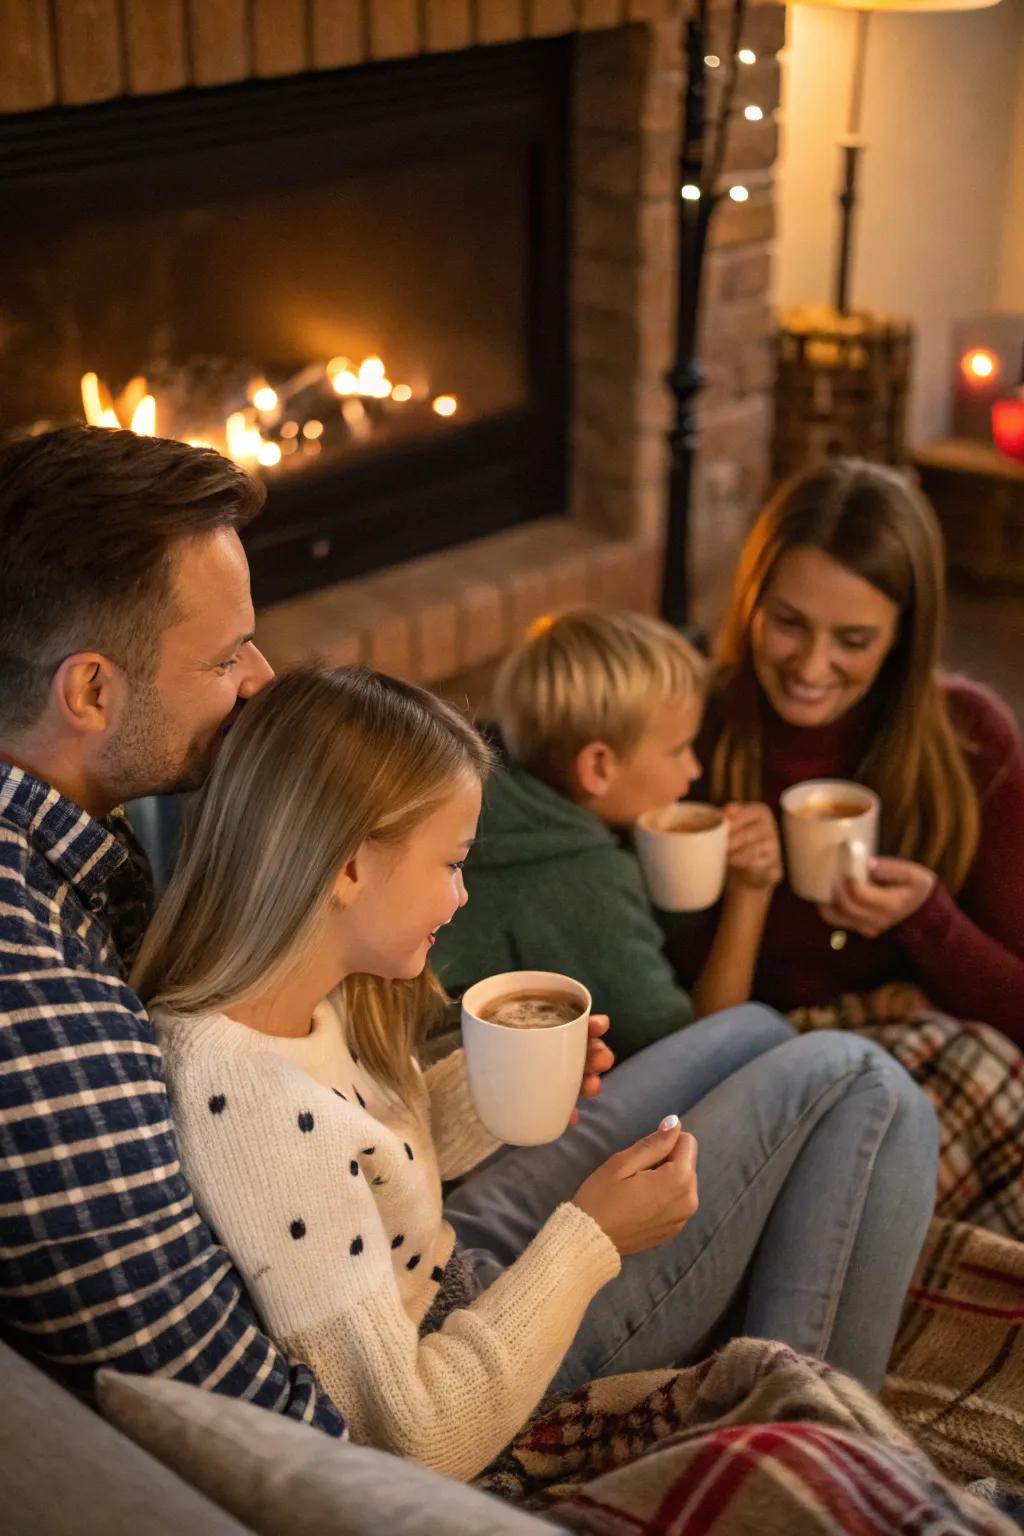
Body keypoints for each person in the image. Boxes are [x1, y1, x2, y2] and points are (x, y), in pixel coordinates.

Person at [134, 663, 938, 1483]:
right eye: (451, 865)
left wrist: (497, 1095)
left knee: (755, 1030)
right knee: (863, 1080)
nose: (460, 898)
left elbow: (366, 1161)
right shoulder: (251, 1110)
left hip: (454, 1262)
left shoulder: (304, 995)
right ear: (348, 867)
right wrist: (595, 1236)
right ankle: (824, 1464)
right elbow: (414, 1440)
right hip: (490, 1384)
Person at [0, 425, 348, 1432]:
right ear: (93, 689)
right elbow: (273, 1434)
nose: (263, 681)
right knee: (823, 1078)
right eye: (226, 656)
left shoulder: (77, 824)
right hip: (379, 1382)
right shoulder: (49, 1031)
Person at [669, 458, 1024, 1043]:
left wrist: (928, 922)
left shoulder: (971, 740)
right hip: (748, 1052)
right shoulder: (688, 727)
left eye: (853, 641)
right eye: (787, 623)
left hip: (912, 1050)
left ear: (903, 638)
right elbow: (653, 985)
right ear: (752, 602)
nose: (810, 667)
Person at [432, 610, 783, 1061]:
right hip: (497, 1114)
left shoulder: (499, 807)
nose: (693, 770)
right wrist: (751, 894)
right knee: (765, 1033)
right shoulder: (579, 879)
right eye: (678, 750)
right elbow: (698, 1055)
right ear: (599, 767)